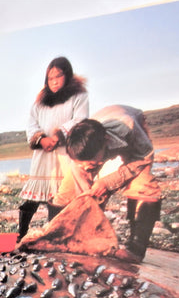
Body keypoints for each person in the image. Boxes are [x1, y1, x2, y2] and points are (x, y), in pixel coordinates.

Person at [51, 104, 162, 263]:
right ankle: (57, 237)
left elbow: (144, 158)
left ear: (106, 143)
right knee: (68, 189)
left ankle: (135, 250)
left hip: (133, 144)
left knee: (144, 185)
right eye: (82, 163)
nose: (86, 167)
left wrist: (109, 182)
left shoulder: (129, 128)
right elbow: (81, 175)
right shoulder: (80, 142)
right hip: (96, 140)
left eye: (90, 163)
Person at [18, 57, 89, 240]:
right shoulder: (40, 102)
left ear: (68, 75)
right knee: (33, 197)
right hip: (43, 156)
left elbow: (80, 119)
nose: (55, 81)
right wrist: (41, 140)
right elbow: (31, 125)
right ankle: (22, 233)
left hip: (65, 153)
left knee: (59, 197)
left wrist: (59, 135)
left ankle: (55, 234)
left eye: (59, 76)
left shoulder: (78, 96)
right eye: (50, 78)